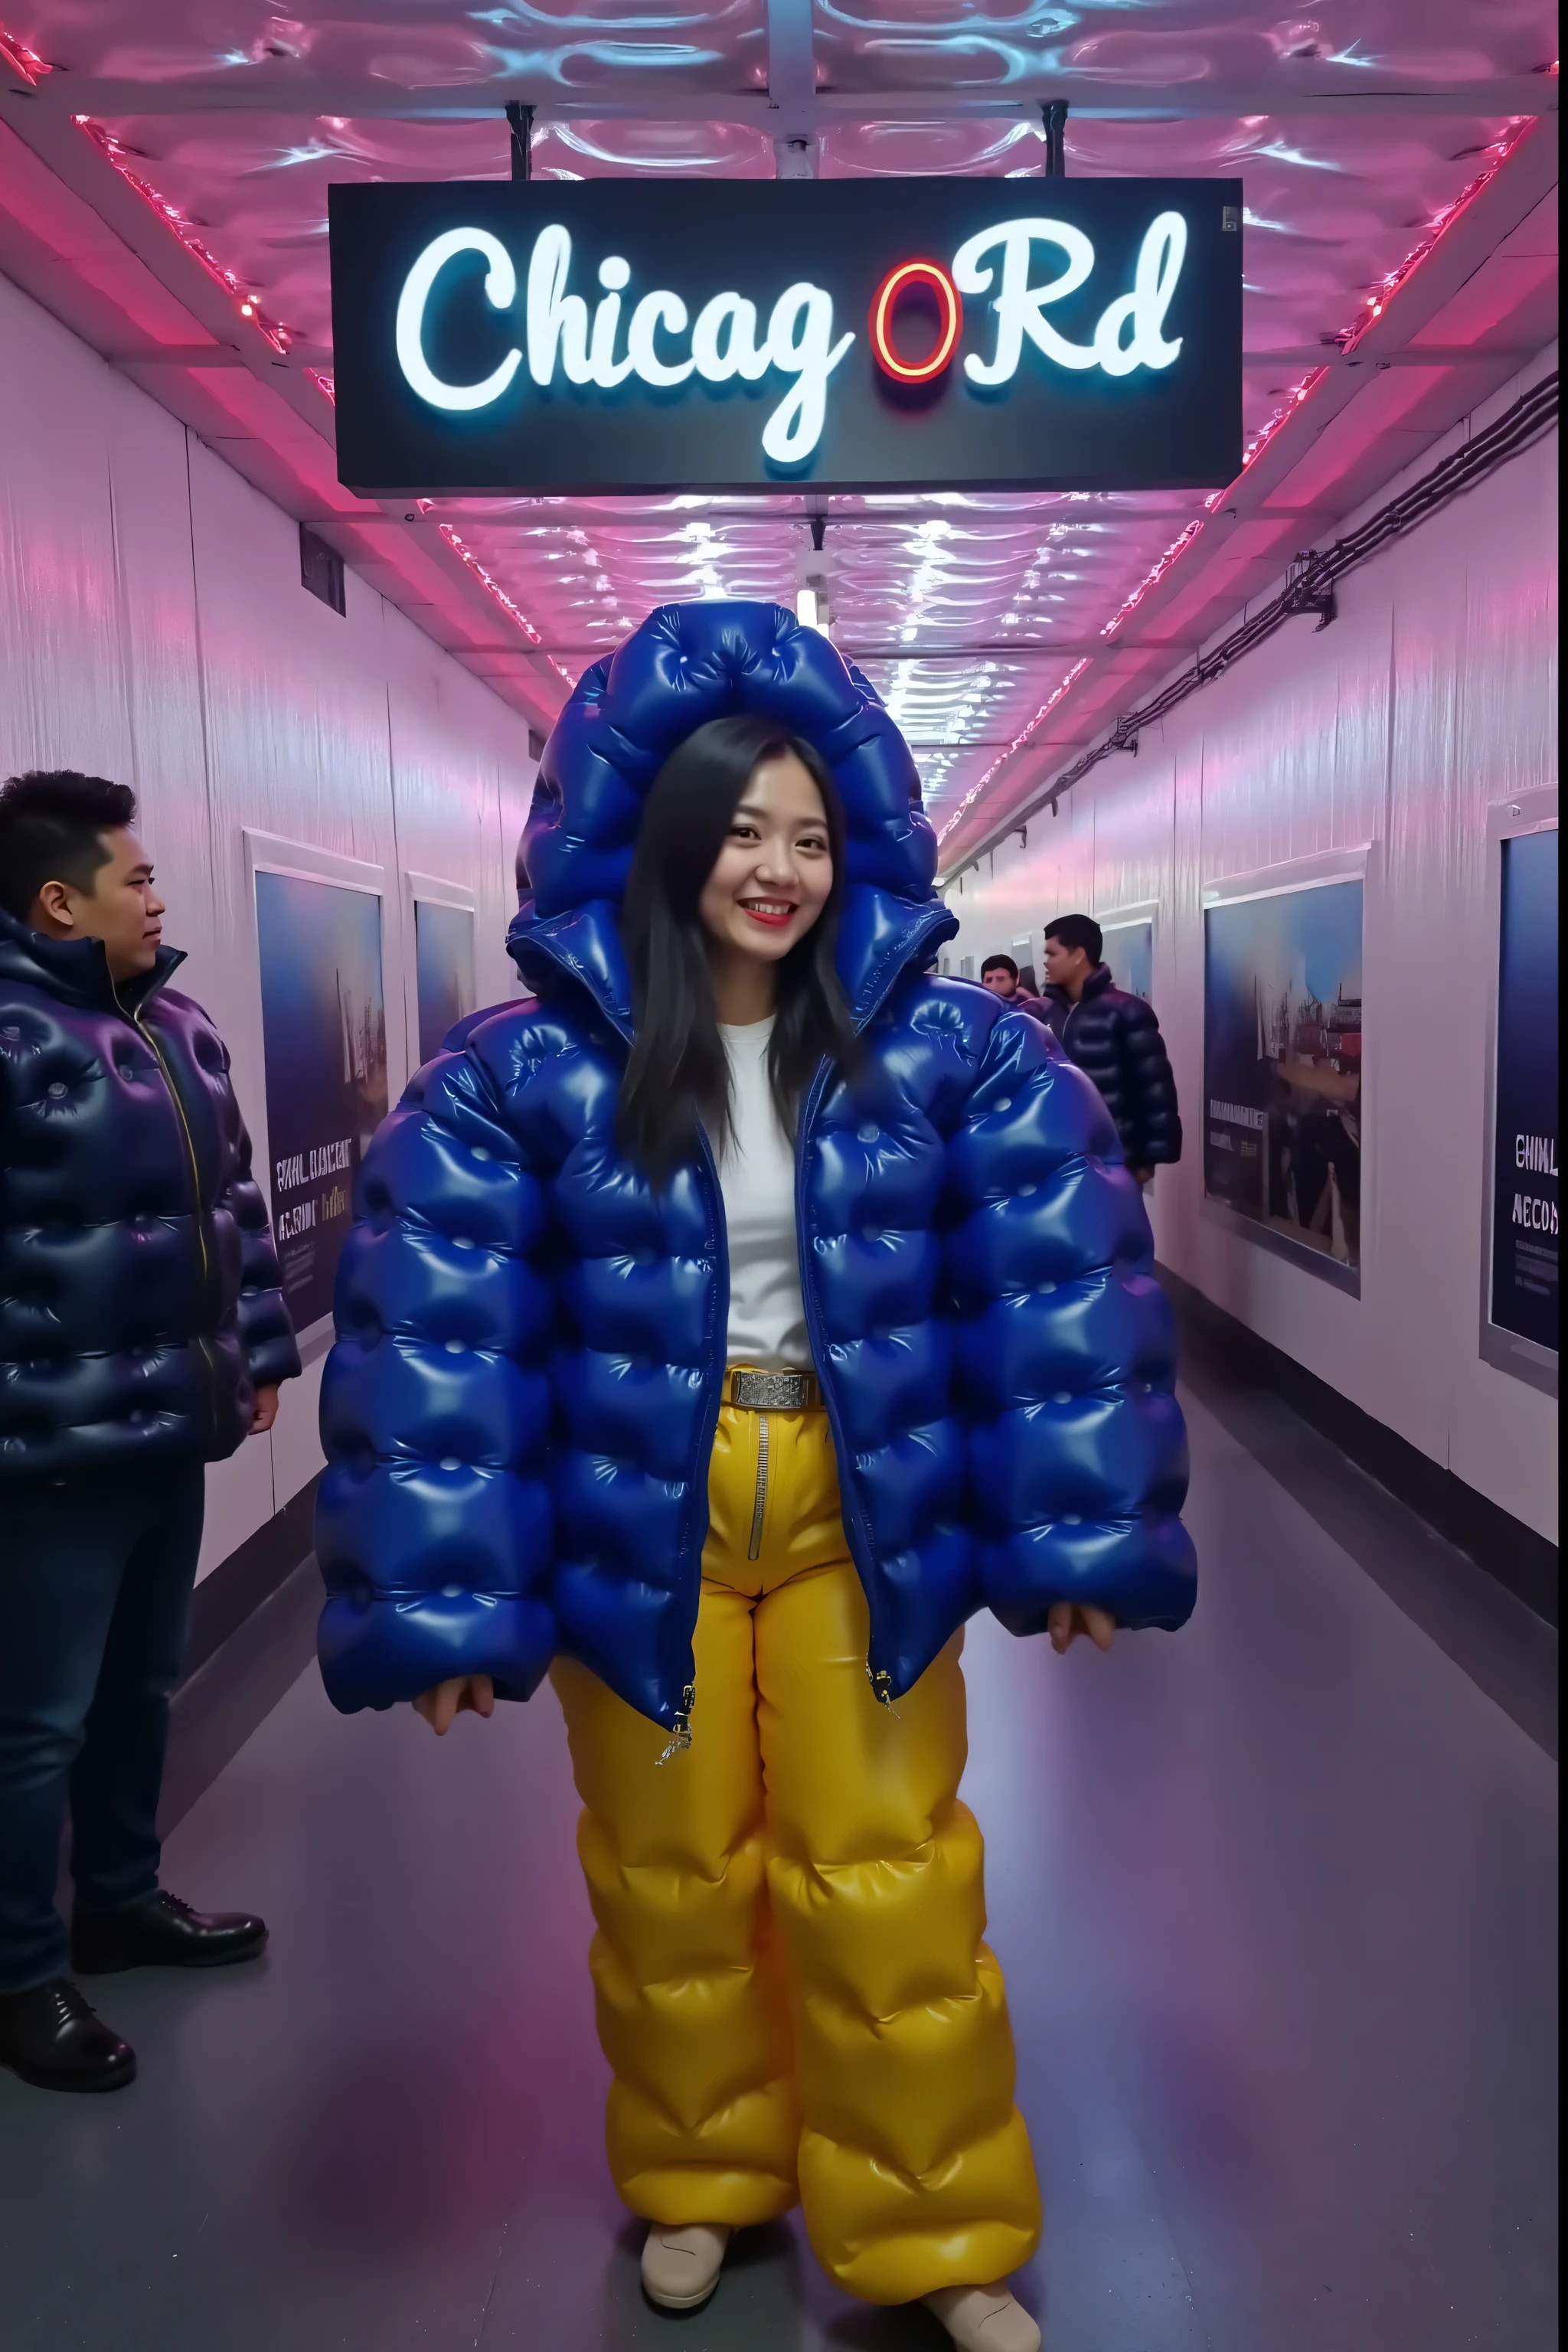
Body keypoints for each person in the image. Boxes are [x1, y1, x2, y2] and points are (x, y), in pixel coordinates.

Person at [315, 606, 1195, 2350]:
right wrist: (444, 1606)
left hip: (855, 1496)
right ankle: (702, 2174)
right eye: (741, 827)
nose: (778, 865)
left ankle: (931, 2219)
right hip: (636, 1501)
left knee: (883, 1857)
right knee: (669, 1868)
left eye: (808, 830)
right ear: (664, 835)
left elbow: (1055, 1287)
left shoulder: (949, 1055)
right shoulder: (524, 1072)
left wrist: (1079, 1530)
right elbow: (441, 1329)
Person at [0, 771, 299, 2096]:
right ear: (59, 900)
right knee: (35, 1723)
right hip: (43, 1448)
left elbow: (233, 1208)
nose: (157, 895)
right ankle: (19, 1971)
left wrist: (266, 1355)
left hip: (171, 1423)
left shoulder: (179, 1024)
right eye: (135, 878)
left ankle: (119, 1898)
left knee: (141, 1684)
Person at [1039, 913, 1181, 1186]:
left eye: (1053, 953)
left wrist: (1145, 1162)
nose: (1046, 962)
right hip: (1057, 1159)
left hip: (1113, 1160)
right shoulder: (1046, 1013)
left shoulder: (1127, 1012)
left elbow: (1155, 1090)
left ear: (1079, 955)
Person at [978, 951, 1042, 1009]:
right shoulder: (981, 1005)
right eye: (989, 980)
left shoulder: (1026, 1004)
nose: (995, 985)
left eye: (1001, 979)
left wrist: (1028, 996)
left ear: (1016, 980)